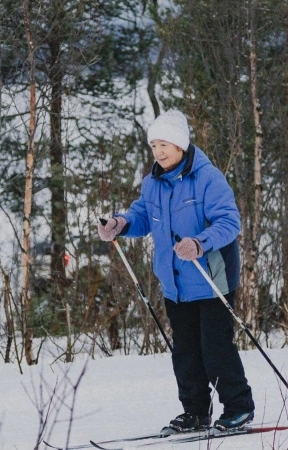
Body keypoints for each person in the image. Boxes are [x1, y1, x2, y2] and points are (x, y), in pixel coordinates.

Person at [97, 110, 254, 433]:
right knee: (185, 353)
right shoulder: (152, 184)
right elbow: (142, 216)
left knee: (215, 350)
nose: (159, 151)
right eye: (154, 145)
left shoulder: (208, 178)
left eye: (164, 144)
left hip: (211, 280)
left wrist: (200, 243)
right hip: (176, 285)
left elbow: (229, 222)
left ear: (181, 144)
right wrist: (120, 223)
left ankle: (238, 407)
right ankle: (195, 412)